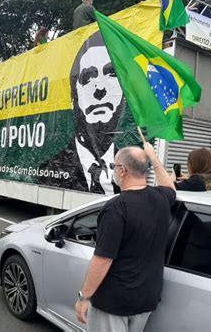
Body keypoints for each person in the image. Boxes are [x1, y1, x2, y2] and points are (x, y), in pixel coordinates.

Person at [75, 143, 176, 331]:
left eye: (113, 166)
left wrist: (84, 297)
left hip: (114, 302)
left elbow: (103, 259)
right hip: (146, 298)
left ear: (122, 171)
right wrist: (153, 158)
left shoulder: (116, 208)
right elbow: (170, 186)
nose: (113, 170)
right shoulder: (161, 199)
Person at [39, 32, 124, 194]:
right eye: (88, 77)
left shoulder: (131, 169)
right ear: (74, 98)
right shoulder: (50, 166)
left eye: (111, 74)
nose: (100, 89)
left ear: (124, 97)